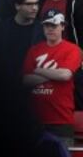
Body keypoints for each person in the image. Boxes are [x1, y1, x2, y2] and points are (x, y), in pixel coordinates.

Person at [23, 10, 81, 148]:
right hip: (35, 120)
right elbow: (25, 80)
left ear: (62, 26)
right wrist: (54, 74)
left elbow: (65, 75)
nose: (50, 29)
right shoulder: (34, 50)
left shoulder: (72, 49)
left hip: (61, 120)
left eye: (54, 25)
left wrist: (38, 70)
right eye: (46, 25)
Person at [0, 0, 40, 81]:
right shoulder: (2, 29)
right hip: (4, 81)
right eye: (29, 4)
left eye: (36, 4)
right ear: (17, 6)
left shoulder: (42, 30)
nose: (34, 8)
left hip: (32, 83)